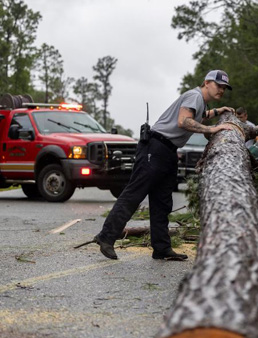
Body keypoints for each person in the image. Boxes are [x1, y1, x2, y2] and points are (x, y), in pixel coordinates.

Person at [92, 70, 235, 261]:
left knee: (162, 201)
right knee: (135, 193)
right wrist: (212, 128)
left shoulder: (200, 102)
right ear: (207, 83)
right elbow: (184, 121)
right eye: (219, 86)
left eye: (224, 88)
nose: (221, 90)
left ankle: (161, 248)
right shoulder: (194, 96)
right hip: (156, 147)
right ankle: (106, 237)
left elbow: (200, 116)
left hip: (167, 151)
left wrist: (219, 111)